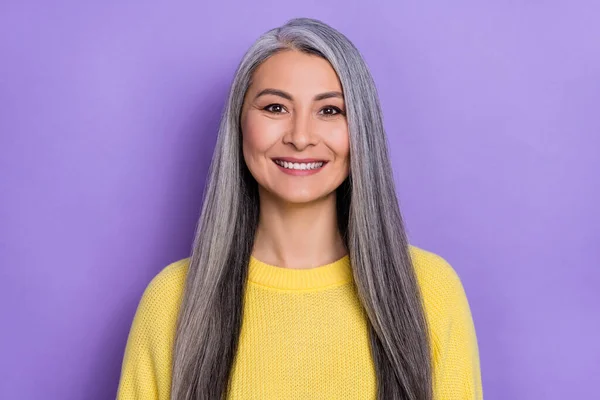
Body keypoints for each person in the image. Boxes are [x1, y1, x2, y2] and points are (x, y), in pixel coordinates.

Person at [116, 17, 483, 400]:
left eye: (329, 111)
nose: (300, 137)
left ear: (361, 130)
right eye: (275, 107)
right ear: (240, 125)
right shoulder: (172, 300)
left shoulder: (429, 290)